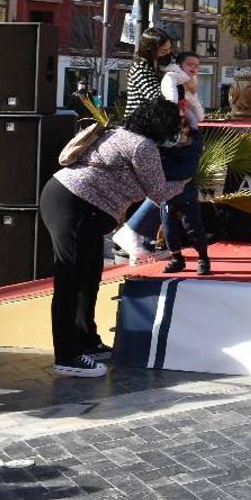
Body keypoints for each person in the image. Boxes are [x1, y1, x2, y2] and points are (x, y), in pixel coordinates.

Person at [39, 96, 187, 377]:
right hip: (77, 205)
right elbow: (158, 193)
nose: (175, 132)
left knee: (89, 275)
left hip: (69, 200)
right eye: (174, 125)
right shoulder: (142, 146)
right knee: (70, 279)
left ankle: (86, 341)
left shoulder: (119, 132)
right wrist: (185, 184)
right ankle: (67, 355)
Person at [112, 28, 177, 262]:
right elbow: (156, 98)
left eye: (169, 49)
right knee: (154, 185)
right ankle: (130, 236)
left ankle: (137, 238)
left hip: (145, 133)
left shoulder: (150, 67)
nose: (168, 52)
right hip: (141, 133)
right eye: (164, 49)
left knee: (149, 187)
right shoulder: (142, 68)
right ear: (152, 48)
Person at [158, 51, 210, 275]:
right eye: (190, 64)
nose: (194, 69)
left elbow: (199, 116)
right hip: (171, 142)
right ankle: (176, 257)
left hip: (189, 143)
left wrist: (192, 95)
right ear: (179, 65)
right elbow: (171, 107)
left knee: (191, 216)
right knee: (167, 215)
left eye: (197, 66)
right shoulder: (170, 79)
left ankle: (202, 257)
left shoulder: (189, 87)